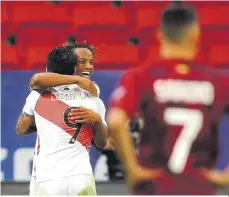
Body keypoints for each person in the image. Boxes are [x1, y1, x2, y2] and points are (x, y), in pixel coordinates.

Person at [107, 2, 229, 195]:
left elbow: (115, 121)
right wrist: (226, 176)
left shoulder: (141, 76)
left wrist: (133, 170)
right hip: (199, 188)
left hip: (155, 187)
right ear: (195, 34)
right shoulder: (217, 81)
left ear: (159, 35)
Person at [16, 44, 108, 195]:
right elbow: (102, 143)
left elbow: (21, 128)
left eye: (91, 62)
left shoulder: (38, 95)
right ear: (72, 67)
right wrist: (97, 120)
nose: (88, 66)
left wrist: (44, 122)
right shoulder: (93, 98)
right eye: (82, 61)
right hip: (82, 177)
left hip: (47, 177)